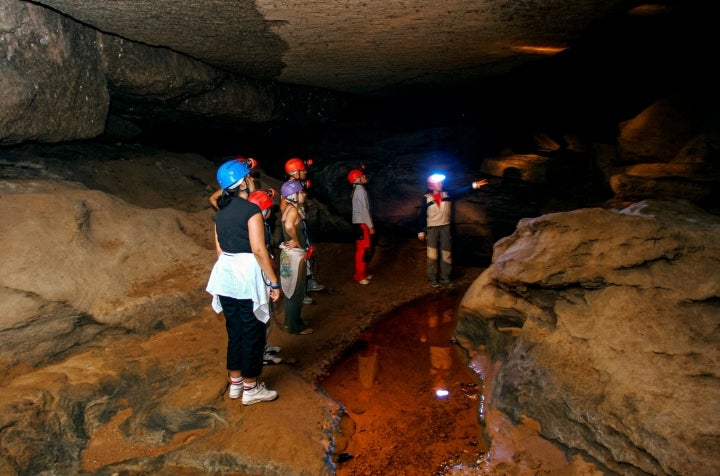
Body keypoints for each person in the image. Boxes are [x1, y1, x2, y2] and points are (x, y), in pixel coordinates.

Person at [206, 159, 281, 405]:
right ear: (243, 183)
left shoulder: (221, 213)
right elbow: (259, 250)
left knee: (235, 330)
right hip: (246, 275)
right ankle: (251, 388)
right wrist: (273, 283)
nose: (252, 180)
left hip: (226, 275)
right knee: (252, 332)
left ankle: (235, 384)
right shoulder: (251, 211)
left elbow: (219, 251)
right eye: (249, 177)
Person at [418, 173, 489, 287]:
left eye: (441, 182)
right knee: (432, 255)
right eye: (438, 183)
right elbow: (422, 215)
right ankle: (432, 279)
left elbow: (461, 191)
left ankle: (445, 278)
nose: (441, 184)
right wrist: (420, 231)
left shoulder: (447, 194)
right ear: (431, 185)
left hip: (445, 227)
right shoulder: (426, 198)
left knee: (446, 253)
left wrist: (474, 185)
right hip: (432, 229)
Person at [247, 188, 283, 365]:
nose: (271, 211)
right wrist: (274, 282)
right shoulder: (256, 226)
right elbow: (259, 251)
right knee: (262, 314)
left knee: (266, 314)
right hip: (260, 275)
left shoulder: (261, 224)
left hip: (263, 272)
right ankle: (259, 354)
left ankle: (263, 345)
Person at [284, 157, 324, 302]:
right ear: (295, 172)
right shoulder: (289, 188)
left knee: (309, 253)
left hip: (302, 223)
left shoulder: (296, 184)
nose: (305, 172)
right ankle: (302, 292)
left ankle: (309, 283)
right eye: (302, 170)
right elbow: (285, 210)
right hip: (297, 226)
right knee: (302, 258)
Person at [279, 179, 314, 335]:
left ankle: (289, 321)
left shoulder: (288, 208)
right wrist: (297, 241)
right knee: (296, 291)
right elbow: (288, 226)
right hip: (294, 256)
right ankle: (296, 327)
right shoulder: (293, 210)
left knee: (289, 289)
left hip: (287, 255)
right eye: (301, 192)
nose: (304, 194)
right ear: (294, 195)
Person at [348, 168, 375, 284]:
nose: (365, 177)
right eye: (362, 175)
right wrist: (370, 226)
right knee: (363, 251)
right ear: (358, 179)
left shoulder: (358, 189)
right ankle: (359, 276)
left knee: (364, 250)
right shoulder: (360, 191)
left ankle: (363, 273)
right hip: (362, 224)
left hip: (360, 223)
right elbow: (364, 210)